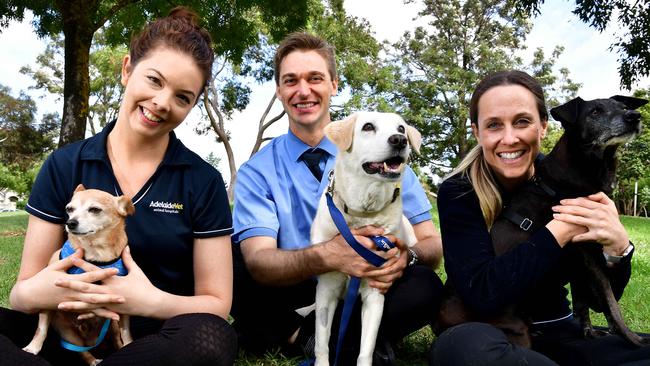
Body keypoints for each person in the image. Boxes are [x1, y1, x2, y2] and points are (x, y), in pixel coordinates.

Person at [0, 7, 237, 366]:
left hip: (152, 344)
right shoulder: (66, 165)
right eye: (155, 80)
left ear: (193, 105)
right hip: (66, 334)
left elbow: (216, 304)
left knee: (211, 337)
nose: (161, 102)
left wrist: (144, 300)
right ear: (127, 69)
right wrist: (54, 288)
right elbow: (21, 296)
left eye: (182, 97)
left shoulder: (202, 181)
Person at [230, 32, 444, 365]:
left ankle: (326, 337)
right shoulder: (257, 171)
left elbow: (432, 244)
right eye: (291, 81)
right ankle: (305, 335)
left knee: (425, 286)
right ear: (279, 91)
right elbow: (259, 261)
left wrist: (408, 256)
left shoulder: (386, 158)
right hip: (292, 288)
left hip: (368, 282)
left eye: (315, 78)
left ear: (333, 84)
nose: (303, 90)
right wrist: (329, 256)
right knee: (234, 261)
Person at [432, 70, 650, 366]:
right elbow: (480, 293)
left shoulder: (570, 181)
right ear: (477, 131)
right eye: (494, 125)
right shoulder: (459, 191)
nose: (510, 138)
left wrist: (618, 249)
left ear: (544, 127)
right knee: (463, 349)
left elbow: (598, 301)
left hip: (557, 331)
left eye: (522, 122)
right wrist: (558, 230)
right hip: (487, 331)